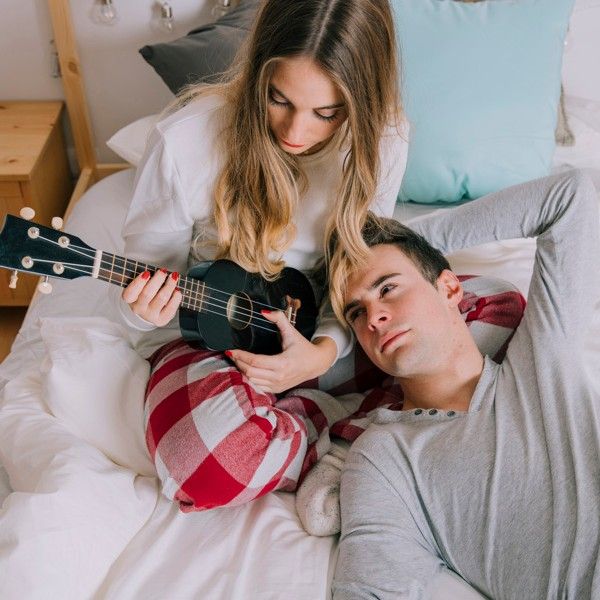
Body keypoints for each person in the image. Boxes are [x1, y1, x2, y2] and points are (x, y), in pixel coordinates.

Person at [110, 0, 409, 510]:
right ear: (257, 76)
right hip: (210, 344)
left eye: (327, 113)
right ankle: (342, 434)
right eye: (279, 99)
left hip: (325, 329)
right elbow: (142, 286)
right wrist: (138, 307)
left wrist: (321, 351)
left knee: (482, 314)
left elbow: (357, 267)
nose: (296, 133)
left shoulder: (385, 136)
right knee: (205, 467)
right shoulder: (186, 140)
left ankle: (297, 419)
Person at [329, 170, 600, 599]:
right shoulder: (385, 456)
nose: (374, 317)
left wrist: (414, 243)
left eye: (388, 288)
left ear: (451, 287)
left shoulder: (539, 358)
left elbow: (572, 196)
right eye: (356, 313)